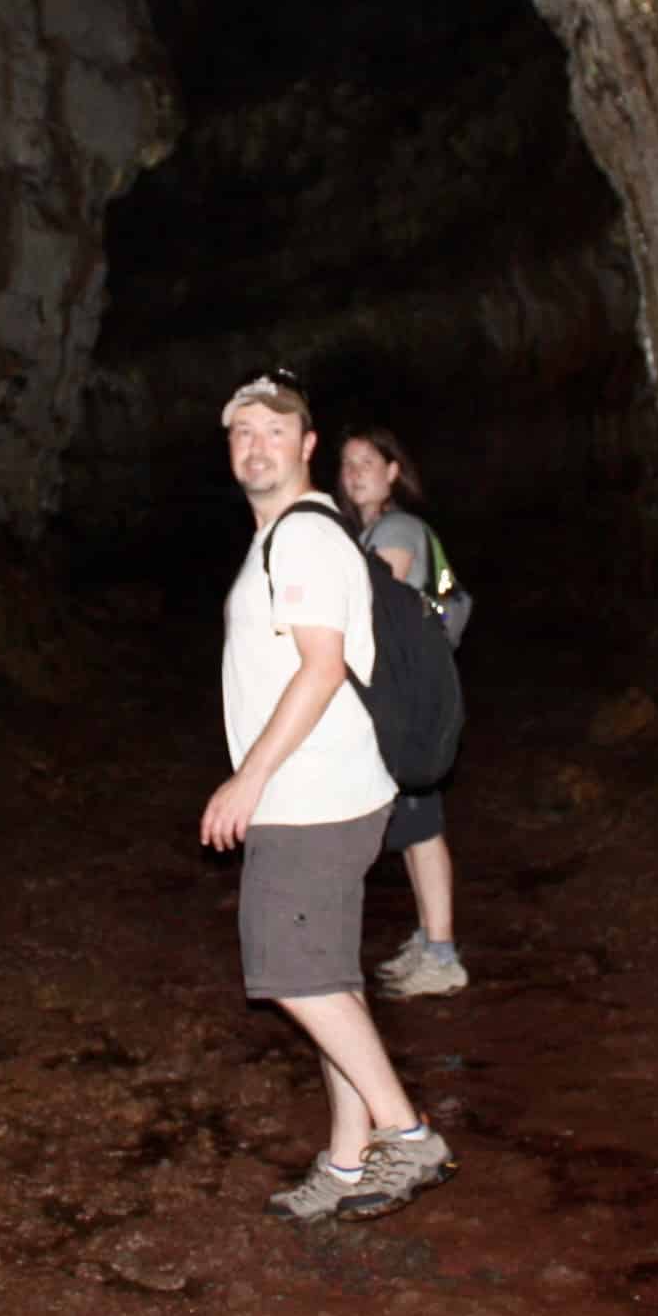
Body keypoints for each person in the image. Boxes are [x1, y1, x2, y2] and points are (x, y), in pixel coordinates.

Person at [206, 369, 455, 1222]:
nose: (257, 445)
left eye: (276, 430)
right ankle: (348, 1163)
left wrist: (250, 777)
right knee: (329, 983)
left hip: (309, 795)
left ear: (305, 445)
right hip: (335, 789)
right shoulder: (290, 532)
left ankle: (405, 1132)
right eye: (243, 432)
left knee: (288, 973)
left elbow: (319, 668)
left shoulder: (305, 539)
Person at [338, 429, 468, 1001]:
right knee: (415, 826)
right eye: (347, 464)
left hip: (408, 699)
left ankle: (442, 954)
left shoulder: (394, 531)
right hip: (413, 692)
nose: (355, 472)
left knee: (423, 825)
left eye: (368, 462)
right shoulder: (373, 531)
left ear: (394, 472)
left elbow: (374, 612)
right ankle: (429, 939)